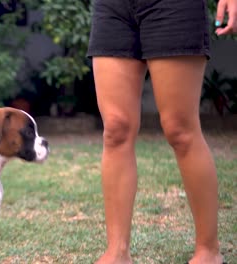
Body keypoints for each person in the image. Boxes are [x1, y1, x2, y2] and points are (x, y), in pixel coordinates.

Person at [86, 0, 236, 263]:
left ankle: (208, 251)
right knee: (116, 128)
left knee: (180, 130)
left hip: (173, 5)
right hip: (112, 7)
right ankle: (117, 252)